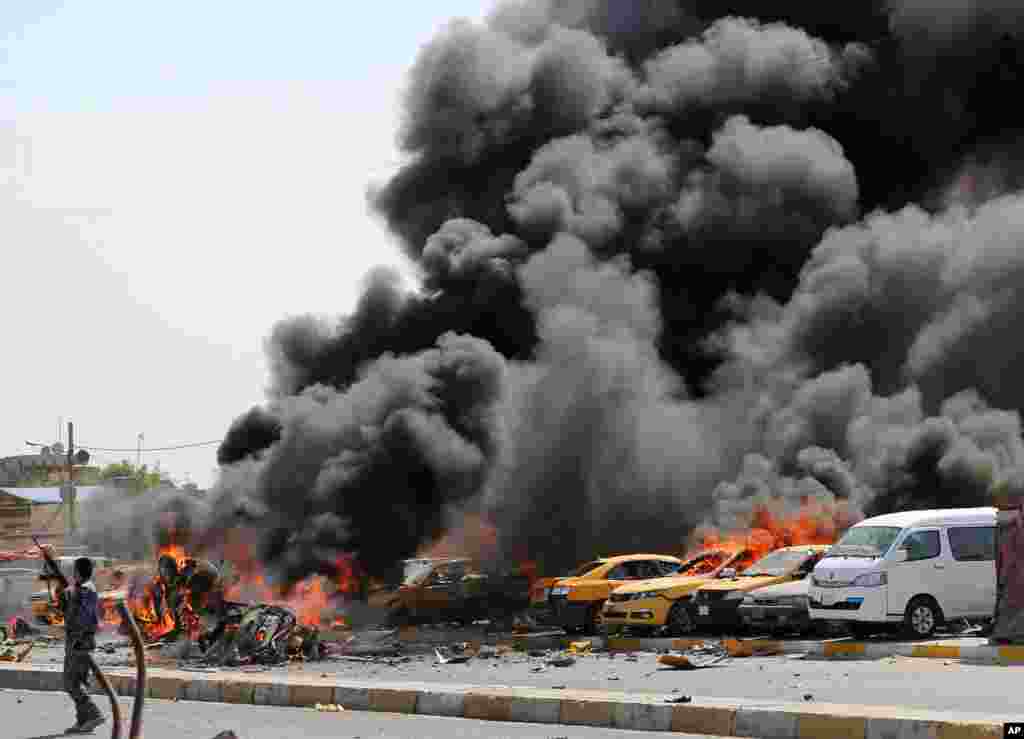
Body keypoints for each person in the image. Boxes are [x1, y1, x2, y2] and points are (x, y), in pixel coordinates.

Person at [56, 557, 105, 733]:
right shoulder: (82, 589)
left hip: (79, 641)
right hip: (79, 641)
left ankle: (94, 714)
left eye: (74, 570)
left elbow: (82, 616)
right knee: (77, 682)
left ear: (77, 572)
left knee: (70, 683)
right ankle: (83, 721)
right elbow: (69, 611)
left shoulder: (84, 589)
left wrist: (78, 639)